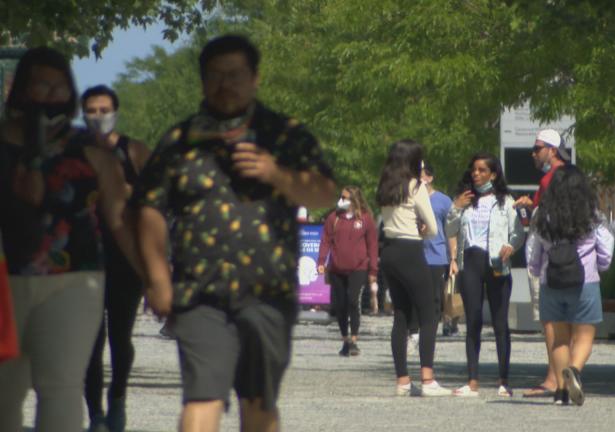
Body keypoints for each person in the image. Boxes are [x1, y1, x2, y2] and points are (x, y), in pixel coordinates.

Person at [134, 35, 336, 432]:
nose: (226, 84)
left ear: (255, 78)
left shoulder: (284, 134)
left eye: (235, 75)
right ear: (202, 81)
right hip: (198, 294)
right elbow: (148, 209)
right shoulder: (179, 141)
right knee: (203, 396)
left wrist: (275, 173)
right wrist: (157, 279)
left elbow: (325, 190)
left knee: (258, 402)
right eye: (215, 75)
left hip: (268, 294)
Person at [0, 47, 138, 432]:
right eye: (40, 84)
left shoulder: (89, 150)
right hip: (3, 282)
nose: (49, 94)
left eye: (59, 86)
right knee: (4, 394)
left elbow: (120, 219)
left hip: (75, 280)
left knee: (60, 386)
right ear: (19, 87)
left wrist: (157, 278)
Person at [81, 85, 151, 432]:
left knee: (120, 338)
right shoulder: (74, 151)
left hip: (125, 259)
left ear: (116, 112)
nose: (98, 116)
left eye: (104, 109)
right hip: (82, 259)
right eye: (91, 110)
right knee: (90, 343)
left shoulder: (134, 150)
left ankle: (118, 399)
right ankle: (95, 414)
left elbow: (156, 202)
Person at [528, 165, 614, 406]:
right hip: (585, 282)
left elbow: (533, 252)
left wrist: (537, 271)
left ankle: (561, 392)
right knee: (585, 336)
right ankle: (574, 370)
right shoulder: (593, 216)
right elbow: (606, 250)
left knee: (559, 338)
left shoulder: (540, 215)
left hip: (551, 282)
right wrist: (601, 267)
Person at [445, 152, 525, 397]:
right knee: (474, 321)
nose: (476, 174)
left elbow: (518, 233)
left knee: (500, 322)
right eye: (474, 170)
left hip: (497, 262)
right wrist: (455, 208)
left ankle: (504, 380)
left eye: (482, 170)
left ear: (493, 174)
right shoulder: (465, 200)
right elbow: (449, 229)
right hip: (471, 260)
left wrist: (511, 247)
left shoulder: (506, 201)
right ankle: (472, 381)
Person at [376, 139, 451, 397]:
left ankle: (403, 380)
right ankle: (428, 379)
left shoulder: (385, 186)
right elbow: (431, 225)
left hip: (388, 251)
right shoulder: (416, 186)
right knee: (428, 313)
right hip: (410, 250)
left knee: (401, 314)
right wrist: (423, 230)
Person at [514, 128, 569, 398]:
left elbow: (546, 220)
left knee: (548, 318)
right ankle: (564, 374)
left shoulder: (550, 179)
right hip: (570, 259)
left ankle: (553, 378)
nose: (533, 153)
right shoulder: (567, 177)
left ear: (552, 149)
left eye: (538, 148)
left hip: (548, 257)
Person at [317, 186, 378, 357]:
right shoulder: (333, 218)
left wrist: (373, 269)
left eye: (344, 197)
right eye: (340, 197)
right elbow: (326, 240)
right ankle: (345, 340)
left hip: (359, 268)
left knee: (353, 301)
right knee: (341, 305)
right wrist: (321, 261)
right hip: (336, 268)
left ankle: (354, 339)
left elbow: (372, 245)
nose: (341, 200)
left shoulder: (366, 219)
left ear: (354, 200)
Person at [420, 162, 458, 337]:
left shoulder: (443, 201)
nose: (419, 179)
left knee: (437, 295)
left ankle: (437, 324)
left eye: (422, 175)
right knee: (420, 295)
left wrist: (453, 258)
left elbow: (450, 231)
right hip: (417, 255)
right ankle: (422, 326)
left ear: (430, 177)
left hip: (437, 256)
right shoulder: (410, 199)